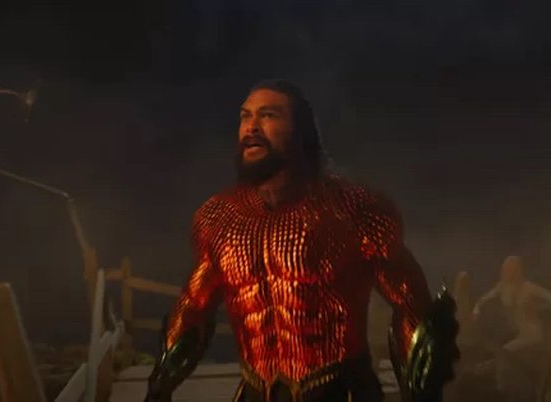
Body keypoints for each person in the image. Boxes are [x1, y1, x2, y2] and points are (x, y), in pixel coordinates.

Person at [144, 80, 458, 402]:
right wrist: (159, 387)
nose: (251, 127)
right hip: (256, 392)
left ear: (300, 130)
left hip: (340, 392)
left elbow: (411, 305)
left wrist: (421, 392)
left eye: (268, 115)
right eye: (245, 116)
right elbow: (193, 308)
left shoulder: (352, 209)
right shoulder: (219, 218)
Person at [472, 256, 551, 352]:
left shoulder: (528, 287)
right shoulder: (501, 287)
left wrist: (537, 307)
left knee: (506, 350)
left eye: (510, 269)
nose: (507, 272)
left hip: (529, 331)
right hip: (512, 330)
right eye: (505, 269)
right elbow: (483, 300)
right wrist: (476, 311)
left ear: (517, 271)